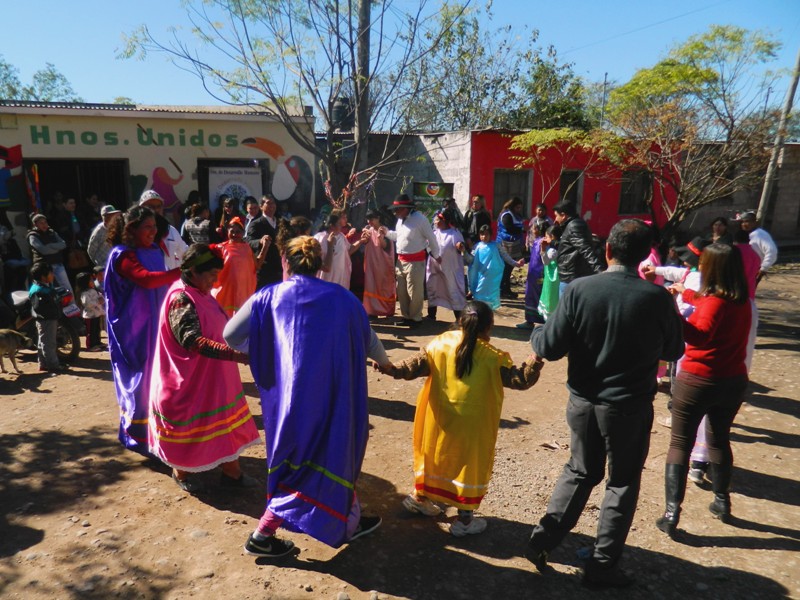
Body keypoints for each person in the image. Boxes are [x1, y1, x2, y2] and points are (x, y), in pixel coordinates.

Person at [525, 219, 684, 589]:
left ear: (607, 251)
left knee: (580, 471)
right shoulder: (657, 298)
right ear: (645, 257)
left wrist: (536, 332)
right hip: (629, 407)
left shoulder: (580, 290)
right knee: (622, 483)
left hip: (582, 403)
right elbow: (674, 350)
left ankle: (541, 542)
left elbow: (548, 347)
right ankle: (602, 567)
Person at [223, 236, 390, 557]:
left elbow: (231, 335)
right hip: (333, 399)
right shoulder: (343, 299)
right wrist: (389, 366)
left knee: (294, 465)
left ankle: (272, 533)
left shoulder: (267, 297)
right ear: (322, 265)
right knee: (336, 456)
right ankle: (272, 532)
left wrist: (263, 350)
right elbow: (370, 340)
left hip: (287, 404)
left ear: (285, 261)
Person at [381, 300, 542, 536]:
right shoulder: (493, 357)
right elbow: (521, 380)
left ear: (460, 322)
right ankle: (465, 520)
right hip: (473, 425)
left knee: (435, 456)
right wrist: (536, 358)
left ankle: (420, 496)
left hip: (439, 418)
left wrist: (391, 368)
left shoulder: (440, 344)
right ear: (488, 328)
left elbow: (412, 366)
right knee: (467, 466)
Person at [655, 243, 750, 536]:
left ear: (713, 268)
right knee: (719, 440)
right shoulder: (740, 300)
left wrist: (672, 311)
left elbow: (699, 336)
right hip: (732, 380)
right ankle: (722, 502)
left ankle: (672, 513)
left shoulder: (714, 303)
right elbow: (707, 305)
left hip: (698, 380)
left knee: (680, 444)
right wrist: (683, 293)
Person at [149, 244, 261, 493]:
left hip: (213, 378)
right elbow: (192, 341)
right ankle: (181, 471)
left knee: (223, 423)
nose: (215, 279)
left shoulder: (200, 293)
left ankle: (232, 473)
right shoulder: (181, 298)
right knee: (191, 430)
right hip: (189, 381)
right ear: (192, 271)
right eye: (211, 274)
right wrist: (235, 355)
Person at [105, 206, 180, 455]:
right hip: (133, 328)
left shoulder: (155, 250)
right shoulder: (123, 255)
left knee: (159, 377)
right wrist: (182, 272)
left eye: (154, 226)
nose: (153, 231)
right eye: (147, 227)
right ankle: (137, 435)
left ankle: (159, 432)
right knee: (141, 379)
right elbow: (146, 279)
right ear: (131, 229)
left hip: (156, 321)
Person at [384, 194, 440, 326]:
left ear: (405, 208)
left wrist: (436, 255)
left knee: (414, 292)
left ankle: (416, 318)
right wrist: (386, 233)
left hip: (415, 261)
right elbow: (398, 236)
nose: (395, 212)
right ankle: (407, 316)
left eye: (397, 210)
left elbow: (431, 238)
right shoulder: (400, 220)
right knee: (402, 292)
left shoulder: (420, 220)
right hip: (401, 261)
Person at [211, 217, 269, 316]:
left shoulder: (247, 247)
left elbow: (257, 265)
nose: (234, 234)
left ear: (243, 233)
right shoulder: (220, 248)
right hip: (225, 294)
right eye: (232, 231)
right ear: (227, 231)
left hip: (244, 292)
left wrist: (265, 247)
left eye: (238, 231)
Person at [552, 199, 604, 294]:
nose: (555, 220)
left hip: (571, 277)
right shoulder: (574, 224)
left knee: (567, 307)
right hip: (571, 275)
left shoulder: (573, 226)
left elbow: (585, 250)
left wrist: (600, 271)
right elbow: (571, 245)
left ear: (563, 215)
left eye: (556, 216)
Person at [467, 224, 523, 311]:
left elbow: (505, 256)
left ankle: (488, 316)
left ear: (490, 235)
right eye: (482, 234)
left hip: (492, 278)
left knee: (490, 297)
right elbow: (471, 260)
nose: (484, 237)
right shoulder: (477, 246)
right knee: (479, 294)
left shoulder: (496, 245)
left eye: (486, 234)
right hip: (480, 277)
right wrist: (463, 252)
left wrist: (515, 263)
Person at [426, 209, 467, 322]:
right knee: (433, 288)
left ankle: (459, 318)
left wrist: (460, 246)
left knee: (452, 290)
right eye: (435, 219)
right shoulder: (434, 233)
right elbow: (428, 247)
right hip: (435, 268)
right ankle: (431, 315)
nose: (435, 221)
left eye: (438, 219)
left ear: (444, 220)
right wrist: (434, 255)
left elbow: (460, 245)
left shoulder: (454, 233)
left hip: (450, 269)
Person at [28, 261, 65, 373]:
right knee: (49, 343)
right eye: (50, 273)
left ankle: (43, 364)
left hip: (47, 319)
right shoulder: (39, 291)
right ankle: (53, 366)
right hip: (46, 319)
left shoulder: (44, 286)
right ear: (43, 277)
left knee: (42, 342)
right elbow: (40, 308)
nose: (52, 275)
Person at [139, 190, 189, 270]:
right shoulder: (136, 233)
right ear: (141, 209)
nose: (156, 209)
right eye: (151, 206)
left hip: (170, 280)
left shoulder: (171, 231)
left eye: (158, 206)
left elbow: (185, 253)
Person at [314, 209, 363, 289]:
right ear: (331, 225)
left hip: (340, 280)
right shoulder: (319, 238)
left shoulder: (341, 236)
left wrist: (361, 241)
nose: (341, 226)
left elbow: (349, 250)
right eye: (338, 224)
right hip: (325, 279)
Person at [361, 210, 395, 318]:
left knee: (383, 287)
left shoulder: (385, 230)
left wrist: (380, 238)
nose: (369, 222)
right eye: (368, 219)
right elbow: (365, 242)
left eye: (371, 219)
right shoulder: (368, 231)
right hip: (371, 264)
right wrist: (364, 238)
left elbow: (386, 247)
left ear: (378, 218)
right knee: (371, 286)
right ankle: (371, 311)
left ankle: (386, 310)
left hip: (382, 264)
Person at [27, 213, 73, 296]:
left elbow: (63, 244)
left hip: (57, 263)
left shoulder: (52, 232)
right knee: (49, 289)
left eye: (45, 222)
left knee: (67, 287)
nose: (44, 225)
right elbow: (44, 250)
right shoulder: (33, 236)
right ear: (35, 224)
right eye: (41, 223)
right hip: (45, 268)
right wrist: (56, 249)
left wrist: (50, 246)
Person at [246, 195, 283, 288]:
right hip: (265, 269)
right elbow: (249, 241)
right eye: (268, 203)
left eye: (273, 203)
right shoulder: (256, 224)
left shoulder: (281, 223)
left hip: (280, 267)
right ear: (261, 206)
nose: (272, 206)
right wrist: (260, 241)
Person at [735, 210, 778, 284]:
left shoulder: (760, 235)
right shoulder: (744, 235)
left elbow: (771, 251)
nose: (744, 224)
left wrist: (763, 269)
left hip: (753, 269)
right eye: (742, 222)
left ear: (755, 222)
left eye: (747, 221)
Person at [517, 220, 546, 329]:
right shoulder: (536, 242)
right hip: (532, 274)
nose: (532, 230)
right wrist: (525, 259)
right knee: (530, 296)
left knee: (539, 297)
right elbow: (533, 256)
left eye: (534, 228)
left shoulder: (544, 243)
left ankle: (541, 321)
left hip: (540, 274)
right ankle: (529, 321)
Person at [496, 197, 526, 299]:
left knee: (509, 269)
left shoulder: (515, 214)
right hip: (505, 244)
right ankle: (502, 290)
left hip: (513, 244)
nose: (519, 209)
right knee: (505, 268)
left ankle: (506, 289)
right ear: (513, 206)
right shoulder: (507, 215)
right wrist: (521, 229)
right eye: (517, 207)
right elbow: (509, 228)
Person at [74, 271, 105, 352]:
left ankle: (97, 342)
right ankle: (90, 346)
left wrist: (101, 298)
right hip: (89, 316)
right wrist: (98, 302)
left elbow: (99, 296)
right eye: (90, 280)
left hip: (96, 314)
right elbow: (87, 304)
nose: (92, 282)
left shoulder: (93, 290)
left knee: (97, 329)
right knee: (91, 331)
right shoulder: (84, 293)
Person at [537, 226, 560, 321]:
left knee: (551, 297)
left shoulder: (552, 250)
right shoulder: (561, 246)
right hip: (558, 275)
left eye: (547, 237)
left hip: (552, 278)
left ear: (552, 237)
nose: (545, 239)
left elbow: (545, 261)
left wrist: (542, 249)